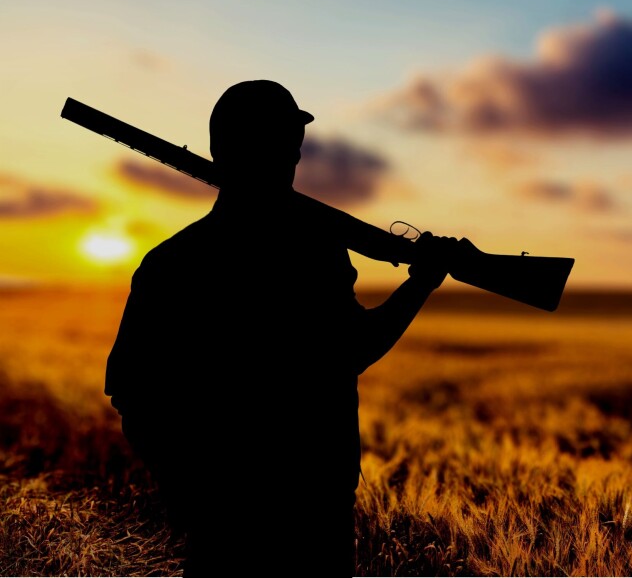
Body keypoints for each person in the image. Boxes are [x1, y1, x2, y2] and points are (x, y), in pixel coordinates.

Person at [105, 79, 456, 576]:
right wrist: (420, 285)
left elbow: (131, 396)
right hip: (303, 521)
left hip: (245, 524)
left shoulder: (170, 262)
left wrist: (188, 492)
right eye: (285, 142)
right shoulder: (311, 252)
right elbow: (355, 348)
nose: (293, 155)